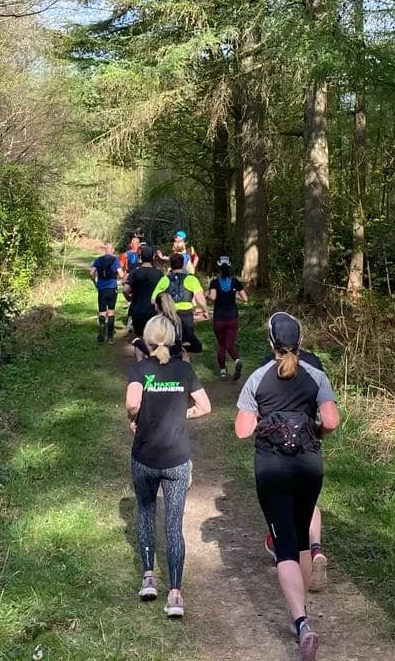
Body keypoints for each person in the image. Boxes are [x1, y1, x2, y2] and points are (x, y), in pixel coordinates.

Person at [236, 311, 339, 661]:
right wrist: (313, 431)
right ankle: (303, 607)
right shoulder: (316, 375)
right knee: (301, 541)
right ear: (300, 340)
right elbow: (331, 421)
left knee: (284, 548)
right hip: (310, 464)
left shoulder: (258, 377)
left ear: (270, 342)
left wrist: (267, 418)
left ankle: (302, 624)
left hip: (272, 468)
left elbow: (241, 430)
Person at [127, 315, 211, 617]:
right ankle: (175, 595)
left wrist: (137, 415)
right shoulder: (184, 370)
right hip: (177, 459)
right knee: (174, 525)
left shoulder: (140, 370)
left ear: (148, 340)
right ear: (173, 340)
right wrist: (180, 415)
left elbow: (133, 404)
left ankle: (148, 578)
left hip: (145, 457)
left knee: (146, 514)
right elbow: (205, 407)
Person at [152, 254, 207, 355]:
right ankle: (184, 361)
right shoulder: (191, 279)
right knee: (188, 339)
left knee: (172, 340)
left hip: (170, 313)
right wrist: (205, 310)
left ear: (170, 264)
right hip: (186, 314)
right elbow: (200, 297)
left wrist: (160, 310)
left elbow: (153, 299)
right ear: (183, 264)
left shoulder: (165, 279)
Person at [206, 257, 248, 380]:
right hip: (232, 318)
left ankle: (223, 371)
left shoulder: (214, 282)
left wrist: (207, 294)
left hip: (219, 318)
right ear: (230, 267)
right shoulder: (235, 282)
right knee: (230, 345)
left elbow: (213, 297)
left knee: (221, 346)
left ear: (219, 267)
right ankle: (237, 360)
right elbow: (245, 298)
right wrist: (234, 294)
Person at [124, 245, 164, 348]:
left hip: (137, 309)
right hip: (154, 309)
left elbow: (126, 289)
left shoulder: (135, 272)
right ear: (153, 257)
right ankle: (152, 359)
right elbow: (164, 293)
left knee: (139, 337)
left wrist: (129, 298)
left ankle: (140, 362)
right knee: (153, 338)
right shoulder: (159, 274)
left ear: (140, 257)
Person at [88, 243, 123, 343]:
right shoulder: (115, 260)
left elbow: (91, 272)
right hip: (112, 288)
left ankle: (102, 330)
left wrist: (95, 282)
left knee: (102, 311)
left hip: (102, 288)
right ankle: (110, 336)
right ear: (112, 250)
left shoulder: (98, 260)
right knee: (111, 311)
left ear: (105, 250)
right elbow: (121, 274)